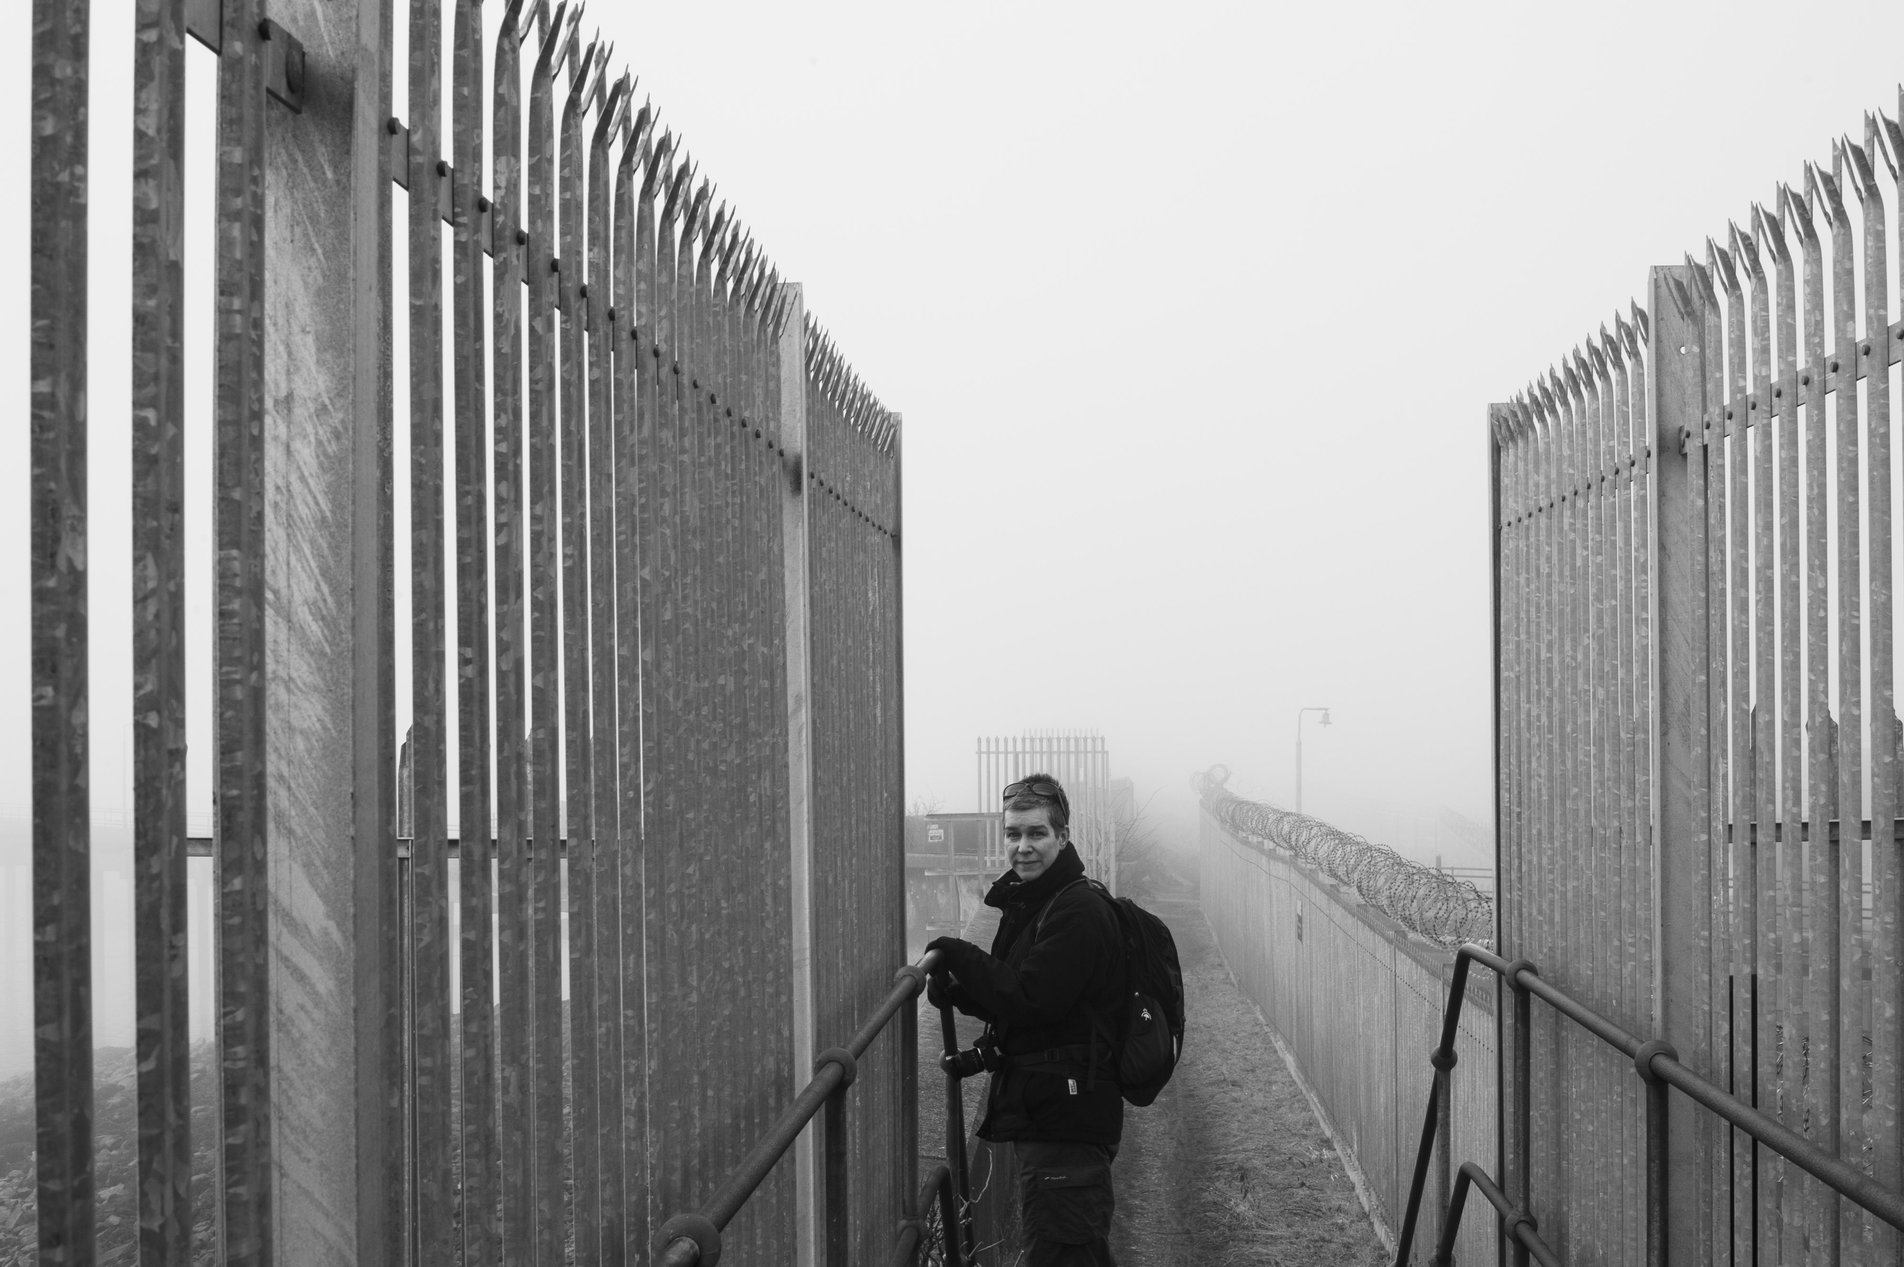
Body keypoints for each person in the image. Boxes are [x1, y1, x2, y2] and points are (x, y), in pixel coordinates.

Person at [925, 773, 1124, 1266]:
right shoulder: (1040, 904)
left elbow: (1033, 998)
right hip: (1052, 1117)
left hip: (1067, 1126)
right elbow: (1025, 997)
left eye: (1037, 834)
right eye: (1013, 835)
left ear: (1063, 837)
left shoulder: (1078, 909)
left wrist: (958, 954)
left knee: (1062, 1253)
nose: (1023, 847)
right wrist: (960, 992)